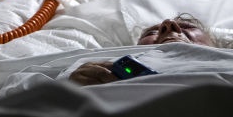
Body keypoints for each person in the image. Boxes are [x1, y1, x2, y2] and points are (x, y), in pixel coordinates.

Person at [68, 14, 225, 85]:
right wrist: (70, 89)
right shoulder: (87, 65)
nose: (168, 24)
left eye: (187, 28)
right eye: (151, 33)